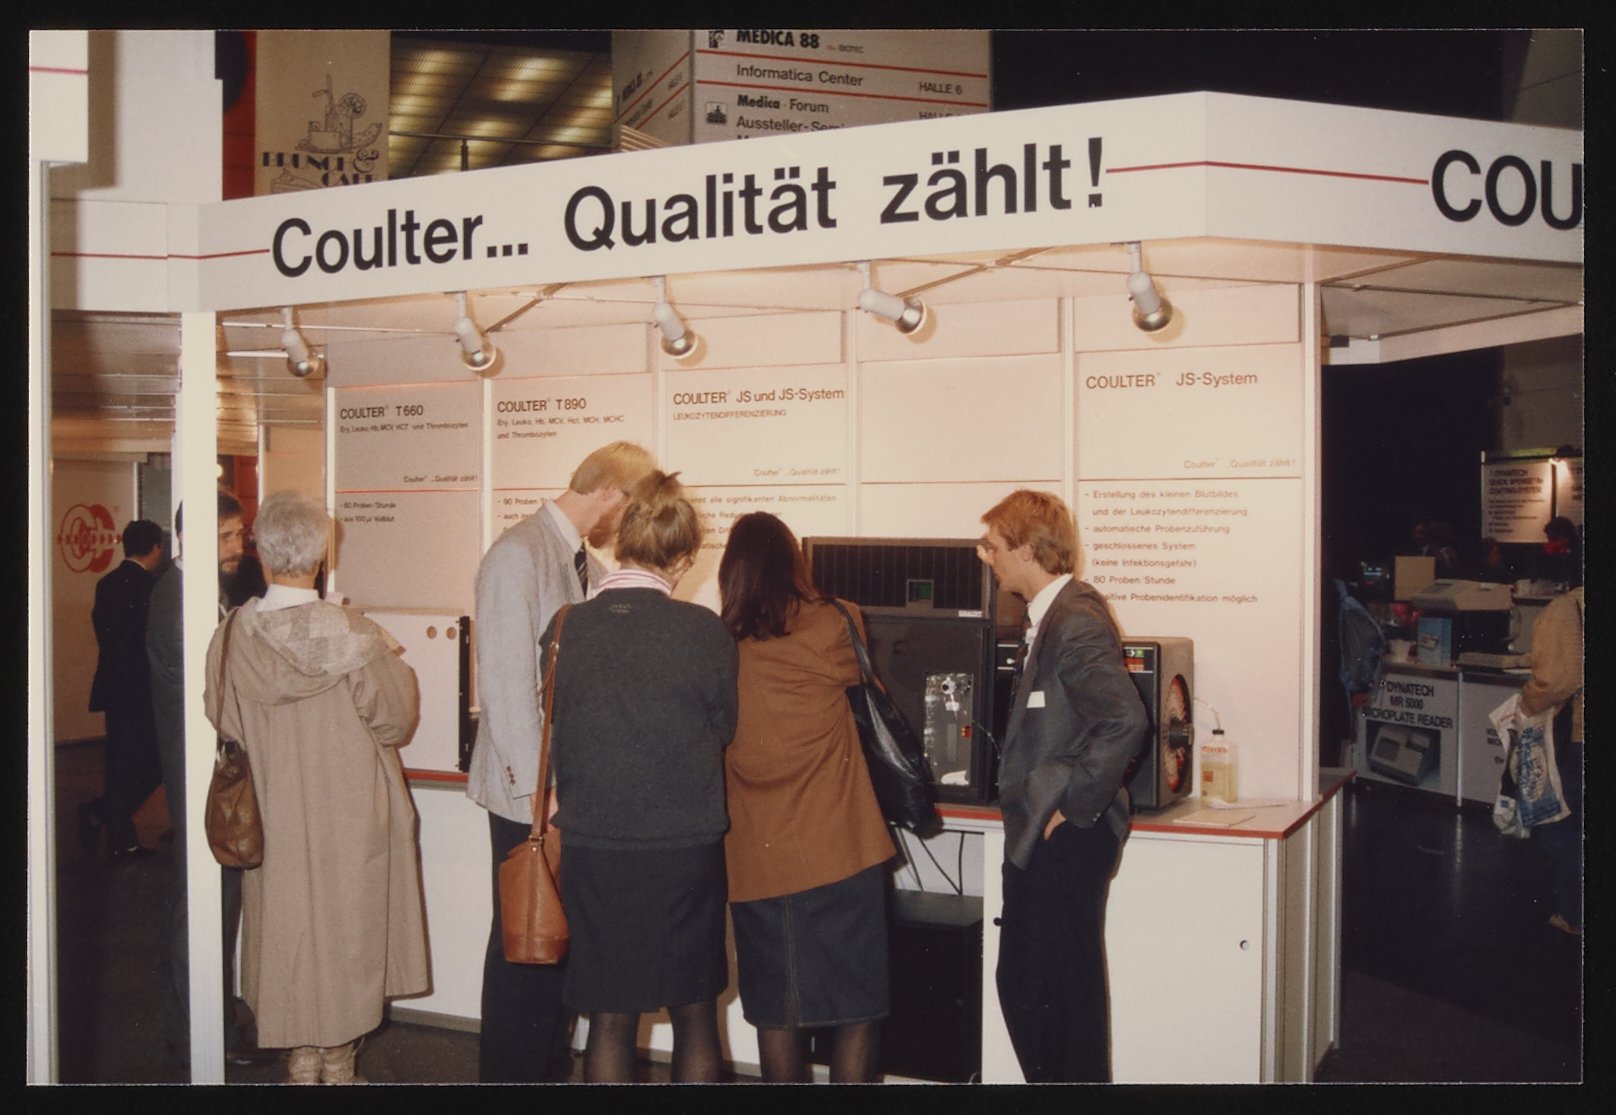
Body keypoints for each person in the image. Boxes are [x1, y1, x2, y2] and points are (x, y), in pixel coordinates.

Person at [203, 491, 427, 1084]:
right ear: (320, 554)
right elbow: (395, 721)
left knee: (288, 931)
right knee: (351, 934)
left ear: (263, 551)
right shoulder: (356, 636)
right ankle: (339, 1059)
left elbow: (222, 718)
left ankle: (301, 1058)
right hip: (352, 815)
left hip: (272, 815)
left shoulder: (232, 635)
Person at [465, 440, 656, 1083]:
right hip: (530, 796)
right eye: (630, 509)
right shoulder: (516, 556)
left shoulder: (581, 562)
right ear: (612, 493)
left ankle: (544, 1073)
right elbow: (505, 689)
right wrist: (535, 795)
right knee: (524, 947)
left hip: (561, 792)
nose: (627, 526)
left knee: (552, 947)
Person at [544, 471, 738, 1083]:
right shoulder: (704, 632)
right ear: (680, 559)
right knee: (696, 1014)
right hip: (684, 847)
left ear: (621, 543)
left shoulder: (566, 627)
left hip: (597, 844)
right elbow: (724, 727)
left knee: (609, 1018)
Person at [717, 512, 897, 1083]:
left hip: (758, 862)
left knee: (777, 1015)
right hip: (841, 848)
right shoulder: (834, 622)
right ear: (794, 561)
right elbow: (869, 690)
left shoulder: (719, 646)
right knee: (858, 1010)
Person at [975, 490, 1148, 1083]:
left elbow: (1124, 719)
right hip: (1046, 838)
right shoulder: (1052, 615)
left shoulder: (1073, 620)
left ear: (1027, 549)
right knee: (1031, 989)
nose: (986, 557)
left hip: (1065, 839)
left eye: (993, 546)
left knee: (1058, 1002)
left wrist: (1074, 806)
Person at [146, 488, 263, 1065]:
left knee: (214, 900)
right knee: (202, 904)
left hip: (208, 771)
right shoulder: (178, 601)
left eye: (238, 534)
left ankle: (206, 1024)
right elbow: (213, 694)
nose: (236, 546)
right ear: (186, 539)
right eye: (224, 537)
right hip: (198, 773)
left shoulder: (200, 591)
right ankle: (199, 1034)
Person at [83, 518, 165, 861]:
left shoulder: (107, 584)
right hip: (142, 689)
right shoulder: (152, 588)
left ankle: (112, 823)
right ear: (156, 548)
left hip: (114, 685)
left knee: (119, 763)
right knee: (153, 763)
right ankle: (108, 818)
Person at [1518, 585, 1584, 936]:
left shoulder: (1568, 606)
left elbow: (1559, 680)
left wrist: (1526, 703)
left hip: (1578, 737)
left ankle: (1575, 915)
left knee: (1558, 826)